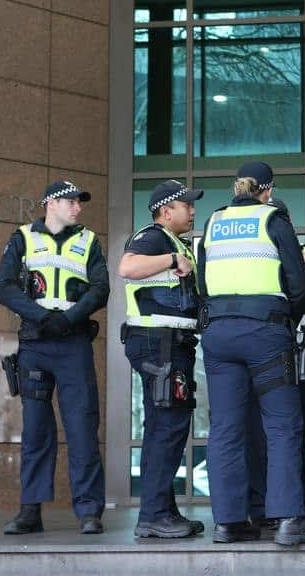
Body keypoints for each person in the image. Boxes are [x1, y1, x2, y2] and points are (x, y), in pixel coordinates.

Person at [197, 161, 305, 546]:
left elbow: (201, 282)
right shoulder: (273, 220)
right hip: (264, 331)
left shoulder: (213, 222)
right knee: (282, 424)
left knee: (225, 428)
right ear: (268, 190)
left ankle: (228, 522)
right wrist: (286, 320)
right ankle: (289, 518)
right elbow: (296, 282)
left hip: (219, 333)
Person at [0, 180, 109, 535]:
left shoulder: (88, 240)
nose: (77, 207)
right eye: (71, 201)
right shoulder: (22, 238)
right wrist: (43, 317)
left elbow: (100, 288)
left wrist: (68, 319)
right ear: (50, 203)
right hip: (35, 342)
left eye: (79, 202)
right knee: (36, 431)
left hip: (73, 343)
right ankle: (30, 510)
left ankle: (89, 512)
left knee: (82, 428)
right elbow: (5, 287)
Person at [118, 179, 205, 539]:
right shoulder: (153, 237)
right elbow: (127, 267)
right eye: (187, 205)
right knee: (167, 429)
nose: (193, 210)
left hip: (170, 344)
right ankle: (153, 514)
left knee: (162, 428)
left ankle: (162, 510)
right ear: (166, 211)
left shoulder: (175, 243)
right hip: (159, 345)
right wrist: (173, 259)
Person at [247, 197, 305, 527]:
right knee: (264, 430)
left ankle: (294, 503)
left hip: (300, 347)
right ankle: (264, 507)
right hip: (267, 346)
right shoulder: (258, 255)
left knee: (292, 429)